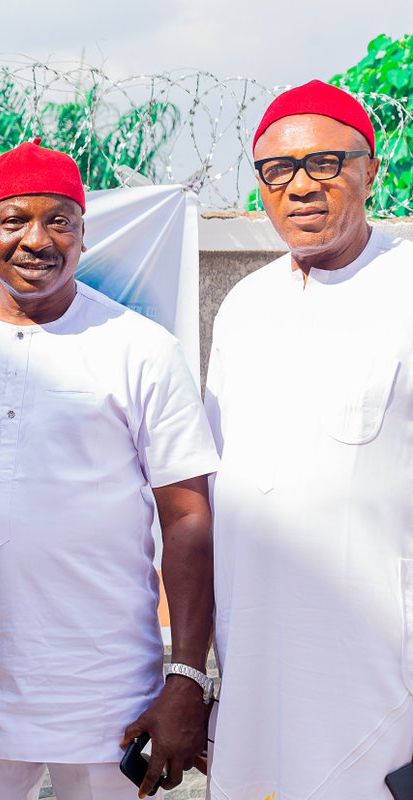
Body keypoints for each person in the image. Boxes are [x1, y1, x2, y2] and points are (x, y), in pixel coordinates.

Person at [0, 139, 220, 800]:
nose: (36, 239)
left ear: (83, 234)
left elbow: (187, 518)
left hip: (107, 694)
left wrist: (186, 675)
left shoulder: (140, 349)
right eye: (14, 220)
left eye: (59, 221)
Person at [205, 80, 413, 799]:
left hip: (380, 679)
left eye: (326, 163)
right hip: (258, 668)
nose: (300, 186)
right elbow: (217, 493)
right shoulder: (244, 306)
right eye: (278, 171)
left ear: (370, 170)